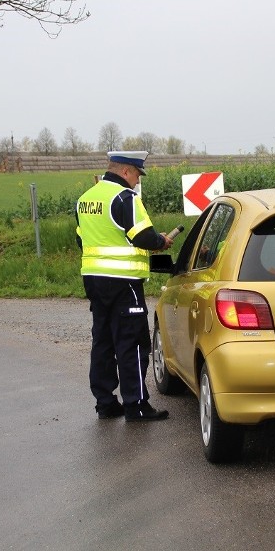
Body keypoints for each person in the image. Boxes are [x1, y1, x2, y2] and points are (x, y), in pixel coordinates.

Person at [75, 151, 174, 422]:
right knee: (132, 342)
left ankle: (106, 403)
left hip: (94, 280)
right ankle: (136, 405)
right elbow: (142, 236)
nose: (136, 182)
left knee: (103, 341)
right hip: (124, 282)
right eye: (137, 176)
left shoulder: (86, 199)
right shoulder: (125, 198)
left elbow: (81, 240)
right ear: (127, 171)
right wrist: (161, 241)